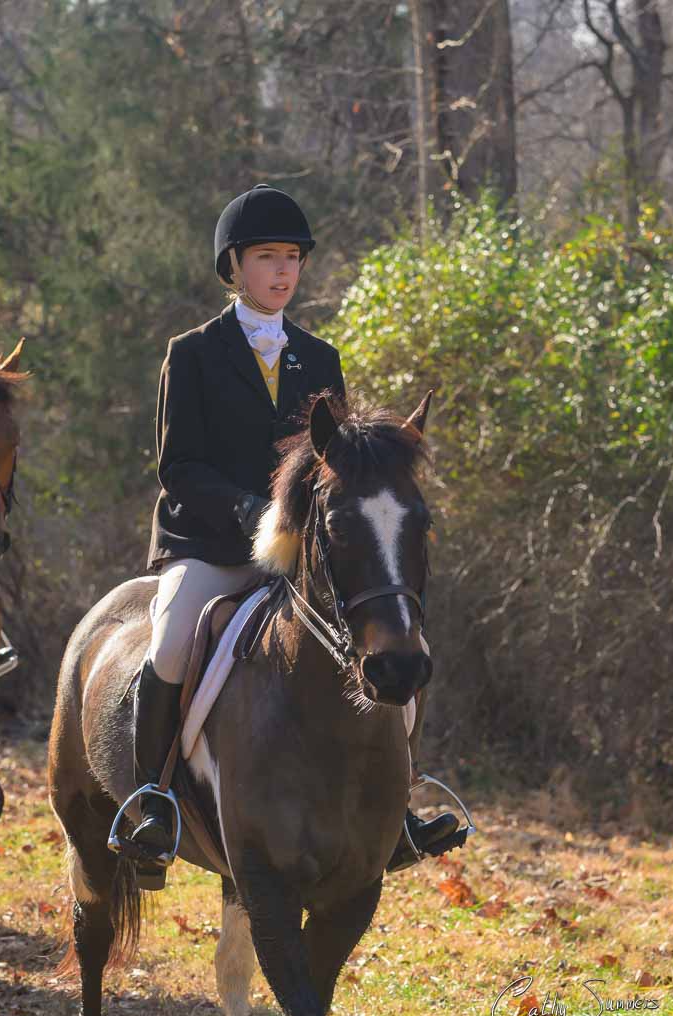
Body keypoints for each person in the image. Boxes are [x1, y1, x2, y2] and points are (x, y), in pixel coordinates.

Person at [128, 183, 457, 887]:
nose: (282, 271)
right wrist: (249, 509)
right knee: (173, 637)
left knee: (396, 638)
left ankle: (398, 805)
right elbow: (178, 467)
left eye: (292, 258)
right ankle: (151, 801)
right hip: (210, 543)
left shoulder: (320, 357)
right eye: (266, 257)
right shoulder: (192, 353)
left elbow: (336, 462)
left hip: (302, 555)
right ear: (234, 266)